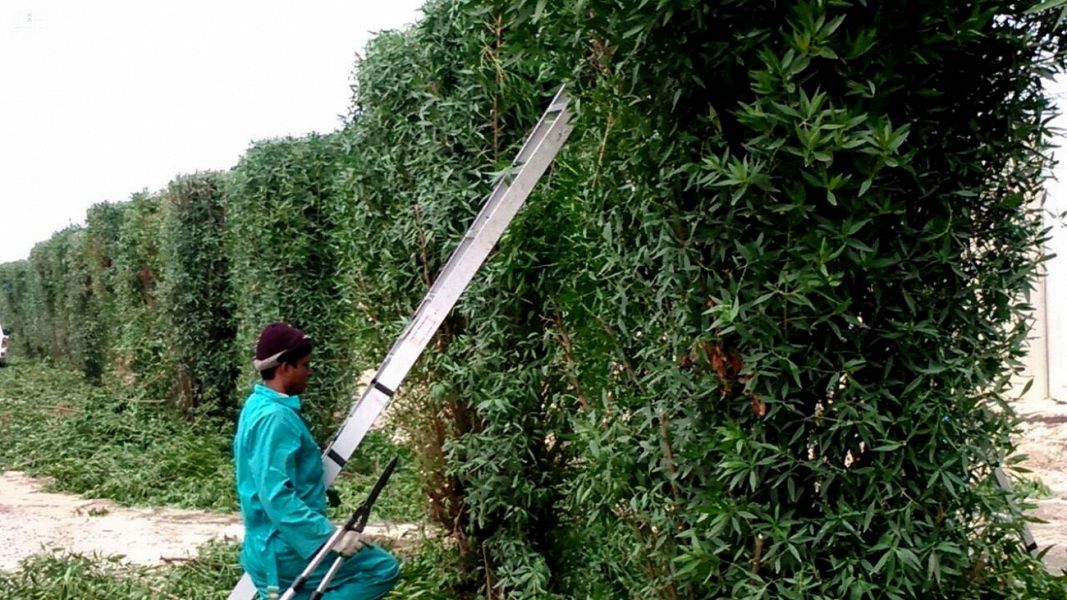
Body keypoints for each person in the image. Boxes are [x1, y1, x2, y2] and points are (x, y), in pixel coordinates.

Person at [234, 322, 399, 599]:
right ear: (284, 367)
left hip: (266, 545)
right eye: (305, 365)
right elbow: (277, 498)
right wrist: (329, 538)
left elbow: (272, 472)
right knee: (380, 569)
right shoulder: (275, 418)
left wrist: (316, 485)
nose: (310, 372)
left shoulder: (258, 405)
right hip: (284, 549)